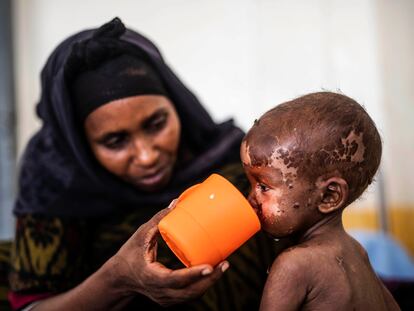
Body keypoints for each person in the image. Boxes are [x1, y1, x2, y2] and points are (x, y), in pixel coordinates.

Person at [8, 18, 279, 310]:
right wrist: (117, 278)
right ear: (81, 144)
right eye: (115, 141)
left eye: (156, 124)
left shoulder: (234, 161)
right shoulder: (55, 188)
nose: (147, 155)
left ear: (177, 105)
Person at [240, 92, 401, 310]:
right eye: (251, 184)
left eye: (264, 187)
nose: (251, 198)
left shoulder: (293, 265)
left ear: (328, 196)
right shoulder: (358, 252)